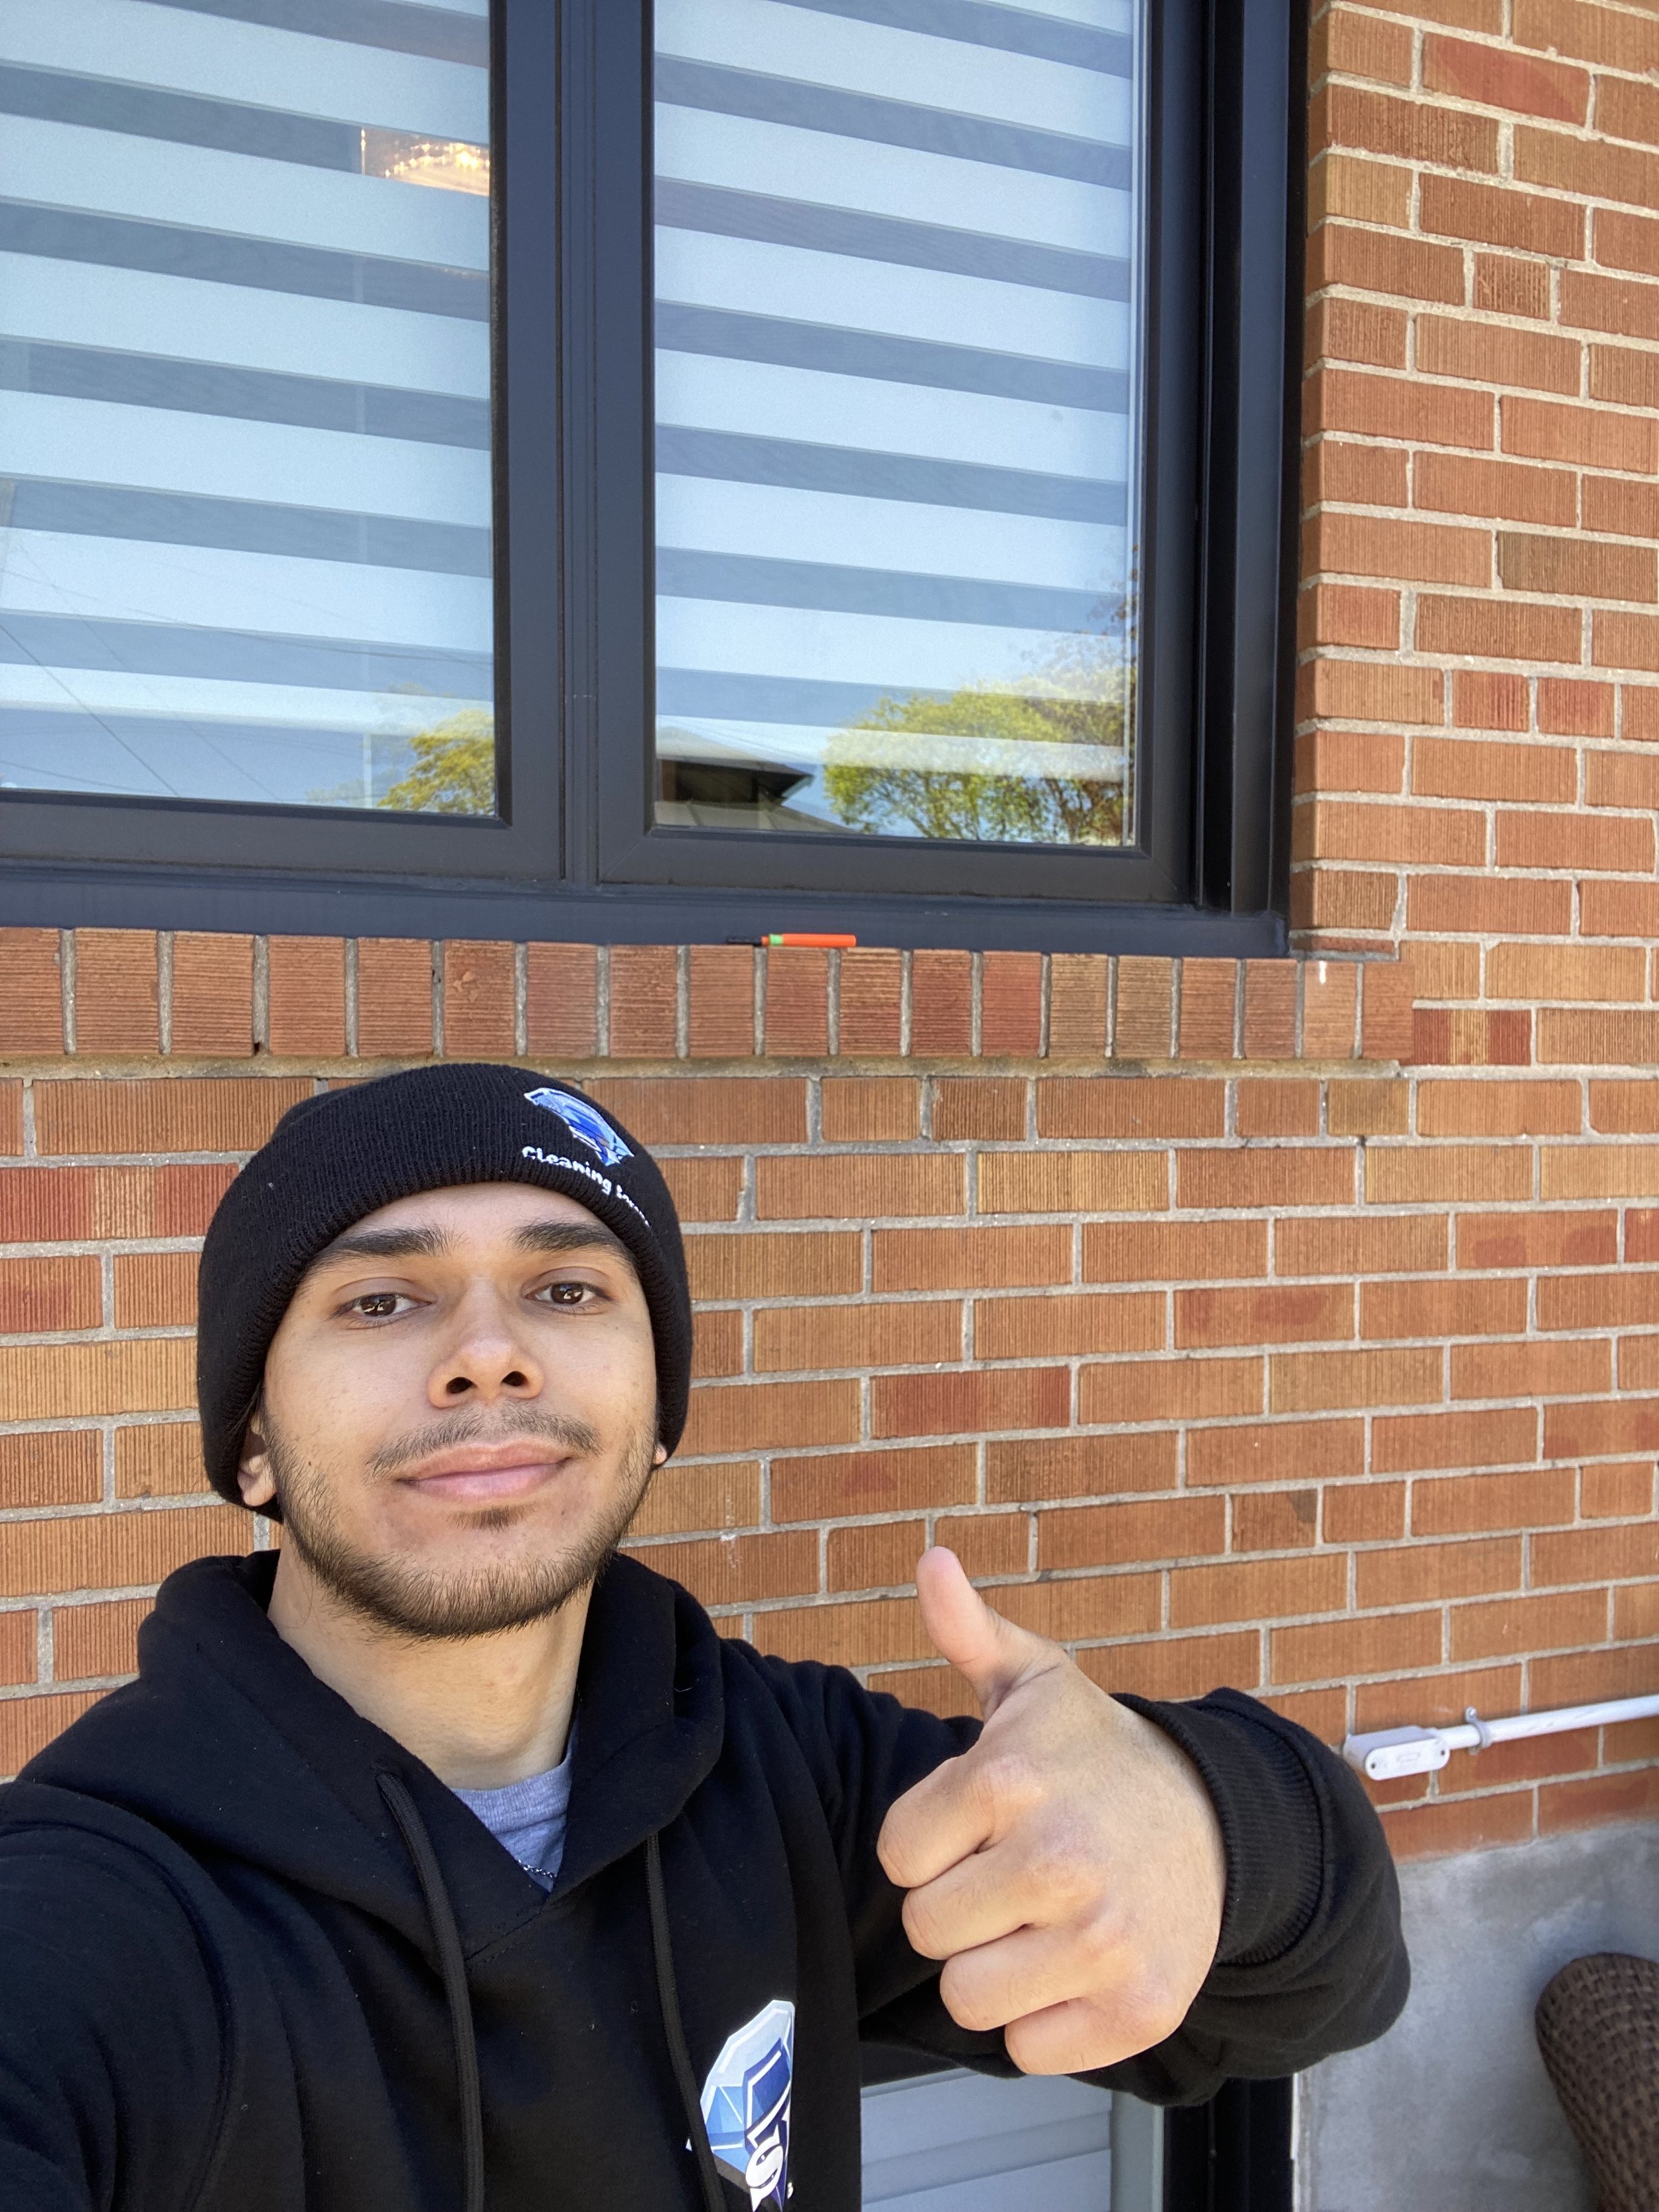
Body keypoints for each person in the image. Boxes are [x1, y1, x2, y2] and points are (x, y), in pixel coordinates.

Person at [0, 1065, 1407, 2212]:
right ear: (249, 1441)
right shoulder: (104, 1911)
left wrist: (1202, 1822)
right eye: (381, 1297)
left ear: (658, 1408)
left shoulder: (782, 1770)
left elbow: (1318, 1984)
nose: (489, 1351)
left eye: (566, 1289)